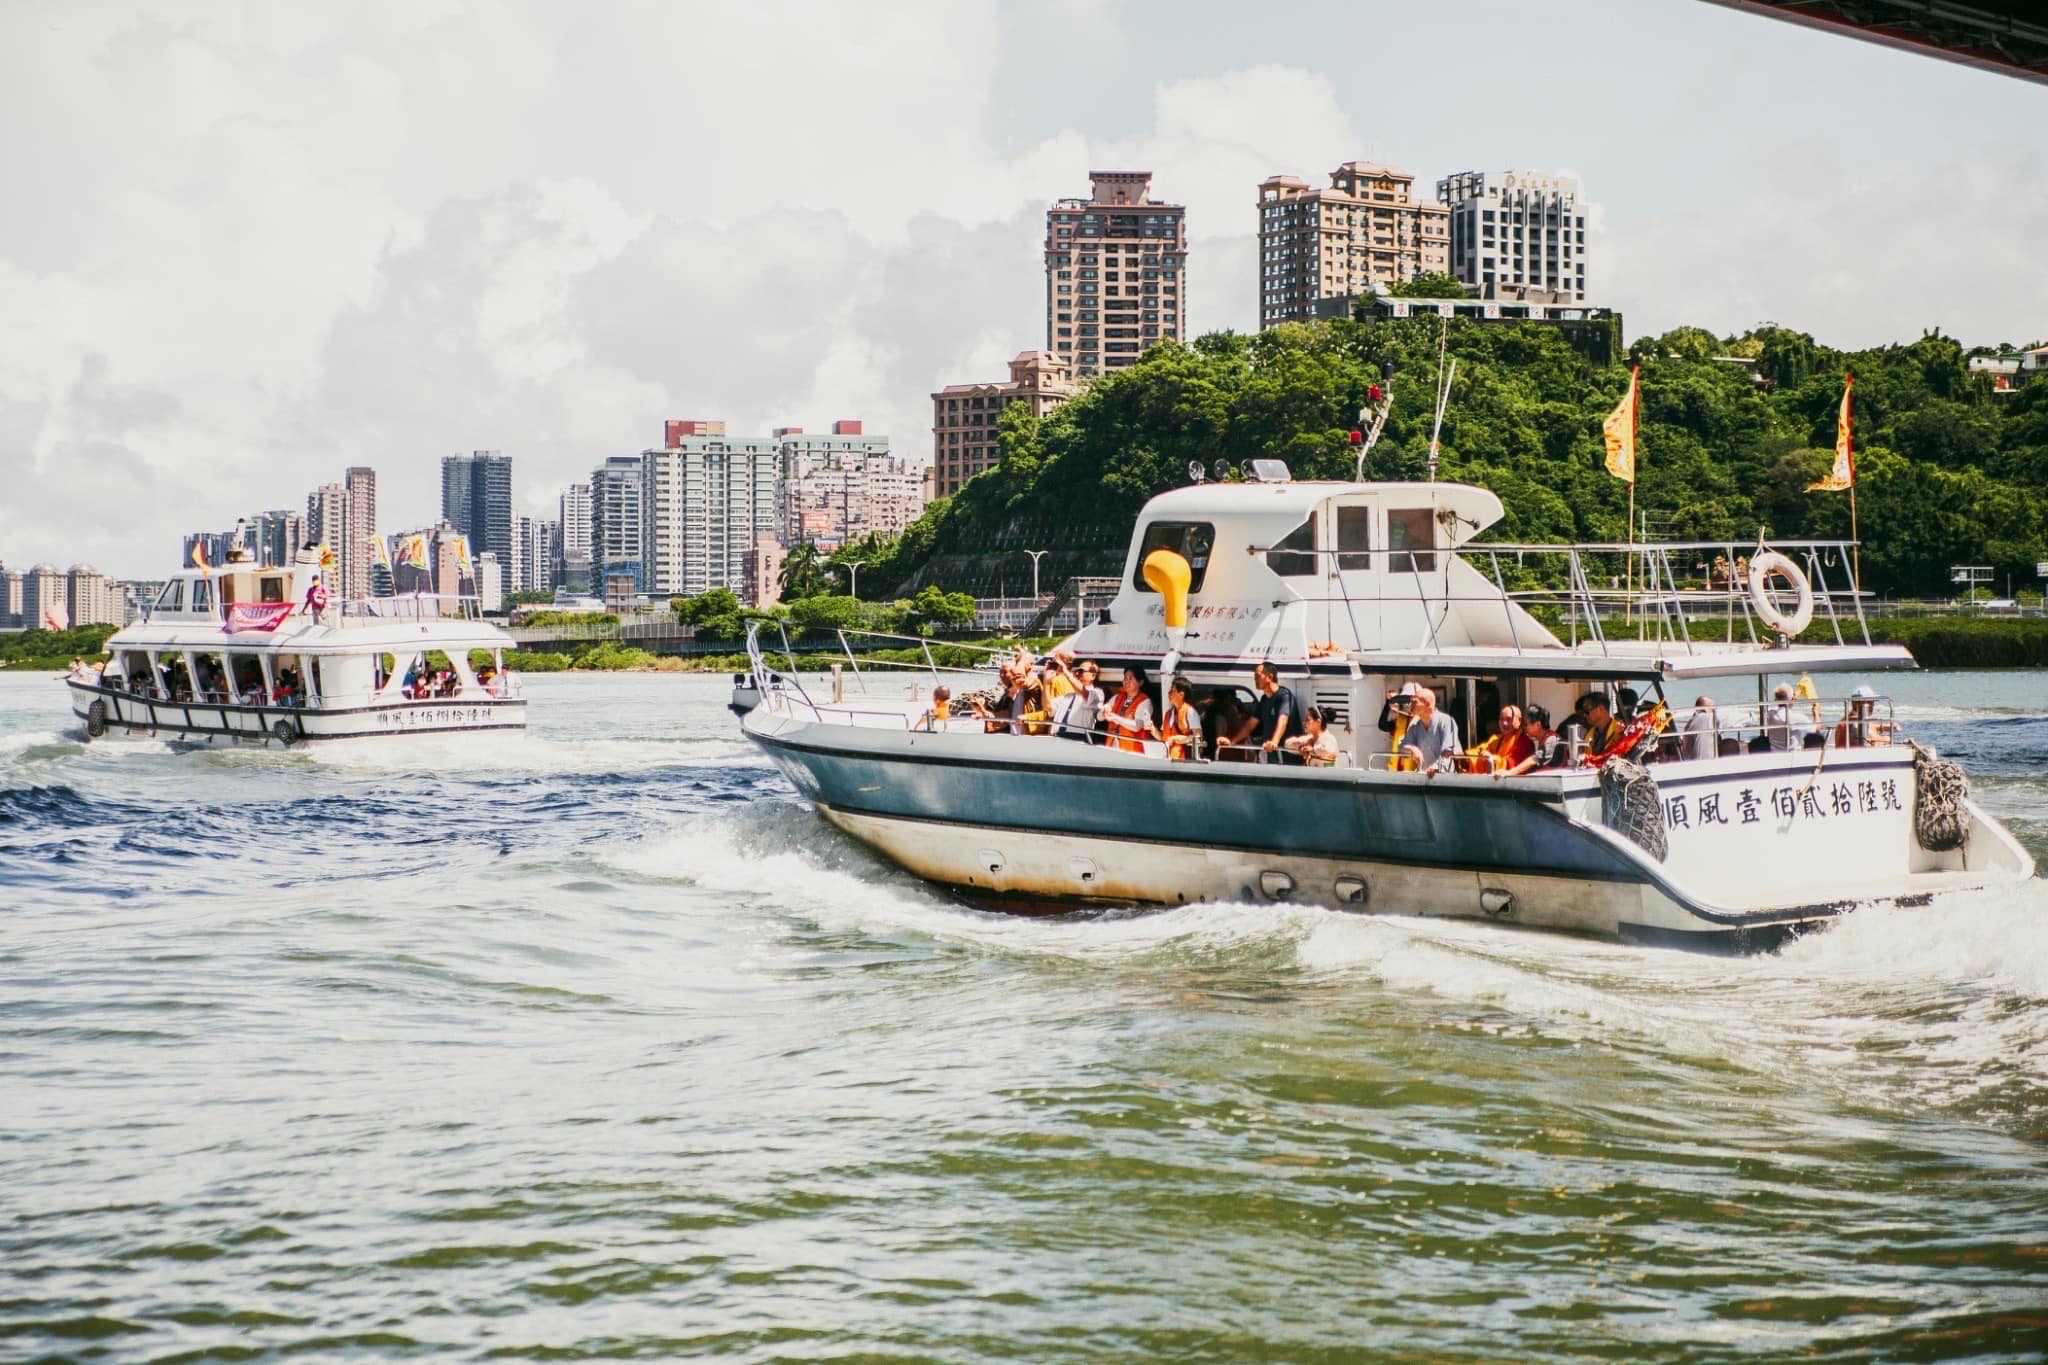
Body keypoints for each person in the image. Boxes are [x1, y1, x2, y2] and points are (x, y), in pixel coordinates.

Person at [1253, 661, 1306, 764]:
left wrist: (1274, 742)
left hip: (1287, 757)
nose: (1255, 679)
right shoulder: (1264, 700)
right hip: (1272, 756)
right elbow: (1251, 723)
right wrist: (1232, 741)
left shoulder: (1284, 696)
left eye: (1258, 676)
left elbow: (1283, 719)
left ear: (1270, 677)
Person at [1400, 684, 1461, 774]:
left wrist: (1434, 767)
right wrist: (1411, 748)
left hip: (1446, 777)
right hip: (1424, 776)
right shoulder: (1415, 727)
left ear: (1427, 704)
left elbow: (1448, 751)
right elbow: (1401, 748)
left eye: (1414, 702)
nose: (1410, 705)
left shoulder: (1447, 721)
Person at [1101, 667, 1157, 753]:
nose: (1126, 682)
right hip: (1112, 748)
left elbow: (1137, 726)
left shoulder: (1145, 702)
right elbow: (1099, 717)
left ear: (1140, 682)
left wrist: (1115, 718)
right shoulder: (1117, 697)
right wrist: (1105, 709)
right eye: (1125, 678)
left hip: (1133, 752)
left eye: (1130, 679)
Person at [1503, 704, 1565, 776]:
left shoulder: (1551, 739)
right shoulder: (1545, 739)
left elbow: (1534, 759)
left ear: (1538, 725)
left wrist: (1510, 772)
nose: (1525, 728)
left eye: (1526, 724)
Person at [1469, 704, 1531, 773]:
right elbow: (1479, 751)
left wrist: (1491, 759)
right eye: (1501, 719)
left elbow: (1513, 763)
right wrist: (1465, 759)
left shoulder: (1524, 742)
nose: (1504, 723)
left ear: (1519, 721)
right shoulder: (1496, 739)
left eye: (1509, 719)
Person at [1054, 661, 1104, 742]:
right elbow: (1048, 707)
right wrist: (1046, 682)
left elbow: (1084, 693)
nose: (1077, 674)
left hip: (1079, 737)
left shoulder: (1097, 693)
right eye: (1077, 671)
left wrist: (1066, 672)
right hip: (1058, 735)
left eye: (1081, 671)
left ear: (1093, 676)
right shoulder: (1068, 695)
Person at [1160, 678, 1204, 761]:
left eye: (1172, 691)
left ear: (1181, 694)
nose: (1168, 693)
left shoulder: (1190, 712)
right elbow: (1163, 738)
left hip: (1185, 760)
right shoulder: (1169, 714)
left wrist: (1177, 739)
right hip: (1168, 759)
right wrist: (1152, 728)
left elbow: (1198, 737)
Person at [1208, 687, 1257, 761]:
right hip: (1227, 756)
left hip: (1236, 754)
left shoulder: (1238, 714)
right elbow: (1218, 739)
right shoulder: (1218, 717)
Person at [1765, 684, 1813, 752]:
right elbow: (1816, 728)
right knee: (1816, 736)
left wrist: (1792, 698)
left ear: (1776, 699)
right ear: (1792, 699)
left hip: (1774, 753)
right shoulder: (1796, 718)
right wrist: (1817, 714)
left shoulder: (1770, 713)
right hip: (1792, 755)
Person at [1579, 692, 1623, 760]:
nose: (1585, 715)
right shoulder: (1588, 735)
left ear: (1601, 708)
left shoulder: (1620, 730)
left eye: (1587, 711)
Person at [1681, 695, 1718, 761]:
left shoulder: (1692, 722)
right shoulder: (1704, 718)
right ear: (1706, 709)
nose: (1715, 712)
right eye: (1713, 709)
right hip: (1702, 763)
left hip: (1690, 761)